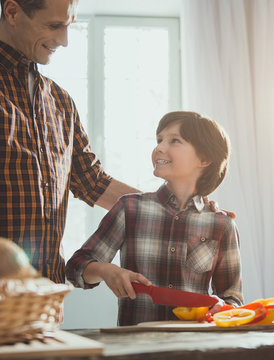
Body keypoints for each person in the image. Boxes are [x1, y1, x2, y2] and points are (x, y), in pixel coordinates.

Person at [0, 0, 139, 283]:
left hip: (44, 298)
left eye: (68, 27)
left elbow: (93, 181)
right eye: (54, 25)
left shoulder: (61, 102)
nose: (64, 41)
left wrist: (170, 207)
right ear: (12, 12)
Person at [66, 111, 243, 326]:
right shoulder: (129, 208)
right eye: (159, 140)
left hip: (195, 349)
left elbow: (232, 298)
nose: (159, 148)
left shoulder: (222, 224)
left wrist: (224, 308)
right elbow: (76, 267)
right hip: (136, 348)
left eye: (174, 141)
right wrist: (105, 270)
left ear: (204, 159)